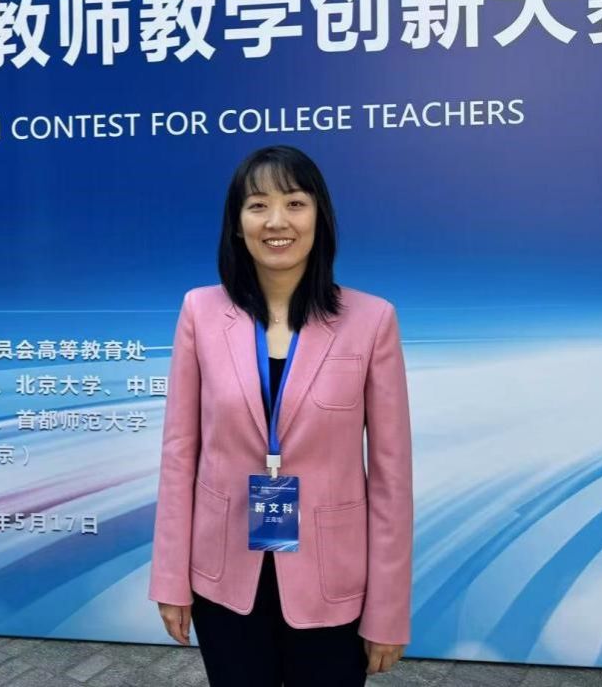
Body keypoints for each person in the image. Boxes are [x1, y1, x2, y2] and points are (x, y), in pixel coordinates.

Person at [149, 145, 413, 685]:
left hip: (334, 578)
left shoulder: (371, 320)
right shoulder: (200, 312)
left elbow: (391, 477)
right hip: (223, 575)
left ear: (319, 217)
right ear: (237, 223)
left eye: (294, 203)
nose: (276, 221)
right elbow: (179, 455)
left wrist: (388, 608)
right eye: (258, 205)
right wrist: (170, 579)